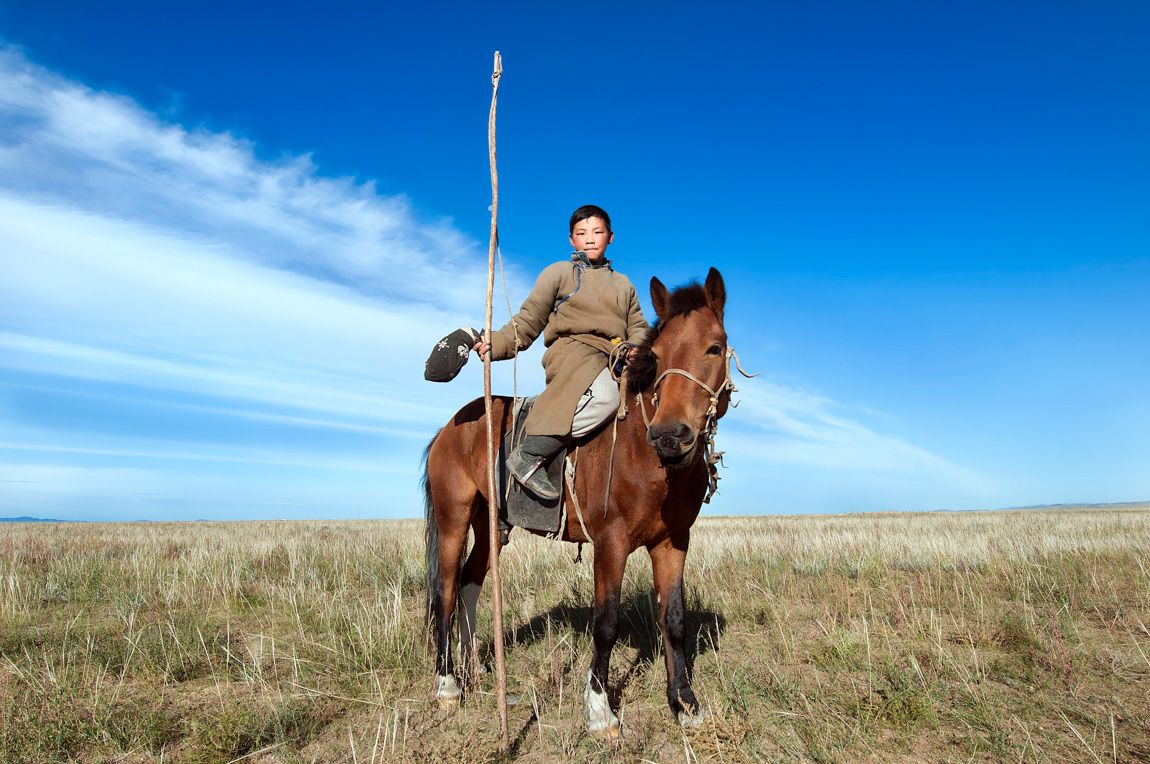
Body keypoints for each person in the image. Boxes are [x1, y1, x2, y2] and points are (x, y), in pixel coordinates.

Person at [473, 204, 649, 499]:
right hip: (571, 353)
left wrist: (637, 349)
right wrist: (496, 343)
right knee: (607, 399)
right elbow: (528, 321)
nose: (590, 239)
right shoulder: (558, 273)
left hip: (614, 359)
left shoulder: (624, 284)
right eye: (582, 233)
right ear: (571, 240)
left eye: (597, 232)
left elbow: (639, 328)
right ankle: (530, 454)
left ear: (611, 237)